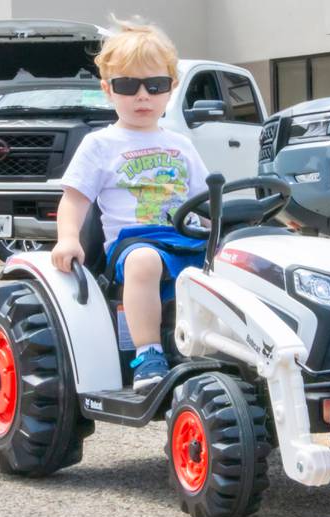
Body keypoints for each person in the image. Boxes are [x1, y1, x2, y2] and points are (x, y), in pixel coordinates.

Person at [51, 17, 209, 391]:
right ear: (108, 90)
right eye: (128, 85)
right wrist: (67, 238)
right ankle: (148, 354)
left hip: (184, 237)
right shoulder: (100, 145)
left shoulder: (181, 145)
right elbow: (73, 200)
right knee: (144, 262)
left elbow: (205, 201)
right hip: (134, 242)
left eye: (154, 85)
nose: (142, 96)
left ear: (170, 89)